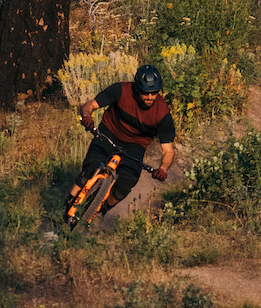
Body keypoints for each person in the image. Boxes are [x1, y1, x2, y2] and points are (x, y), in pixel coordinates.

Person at [66, 63, 177, 223]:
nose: (150, 97)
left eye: (154, 93)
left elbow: (168, 151)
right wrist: (87, 116)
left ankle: (99, 213)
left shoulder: (162, 114)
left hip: (135, 146)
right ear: (137, 89)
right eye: (146, 93)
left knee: (127, 182)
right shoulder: (121, 90)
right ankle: (67, 204)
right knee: (90, 169)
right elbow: (90, 105)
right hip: (109, 133)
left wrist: (163, 168)